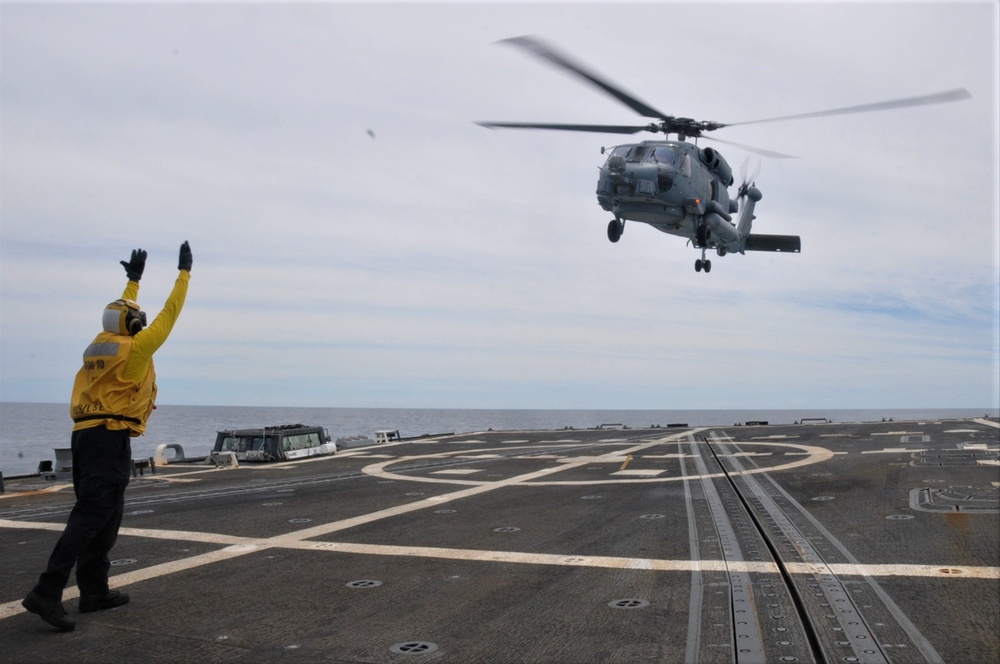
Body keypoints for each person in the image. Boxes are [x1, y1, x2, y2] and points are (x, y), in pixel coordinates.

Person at [22, 242, 192, 632]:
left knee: (106, 517)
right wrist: (184, 274)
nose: (143, 322)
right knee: (91, 517)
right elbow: (171, 314)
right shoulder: (135, 350)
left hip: (87, 438)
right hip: (108, 439)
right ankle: (46, 592)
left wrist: (132, 280)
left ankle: (94, 592)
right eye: (138, 319)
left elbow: (120, 312)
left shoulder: (101, 342)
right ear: (133, 325)